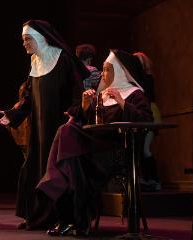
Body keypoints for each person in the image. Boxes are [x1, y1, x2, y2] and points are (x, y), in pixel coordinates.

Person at [33, 50, 153, 236]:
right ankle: (75, 220)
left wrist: (122, 103)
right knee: (71, 158)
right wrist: (85, 106)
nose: (102, 75)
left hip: (113, 153)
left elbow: (146, 121)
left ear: (120, 72)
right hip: (89, 150)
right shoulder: (101, 94)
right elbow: (88, 122)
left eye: (107, 70)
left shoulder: (134, 94)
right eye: (103, 70)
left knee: (67, 148)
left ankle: (71, 218)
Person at [0, 19, 90, 229]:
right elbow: (28, 98)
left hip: (60, 128)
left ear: (40, 38)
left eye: (27, 39)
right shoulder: (36, 62)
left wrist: (75, 112)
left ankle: (62, 218)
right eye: (23, 40)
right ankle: (40, 217)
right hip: (38, 130)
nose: (24, 44)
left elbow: (78, 92)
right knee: (36, 169)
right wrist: (12, 115)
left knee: (57, 172)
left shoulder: (63, 59)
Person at [133, 52, 162, 191]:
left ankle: (155, 180)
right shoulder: (141, 79)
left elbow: (146, 96)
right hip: (145, 115)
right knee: (141, 149)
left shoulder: (146, 79)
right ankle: (147, 179)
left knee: (145, 149)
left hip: (151, 115)